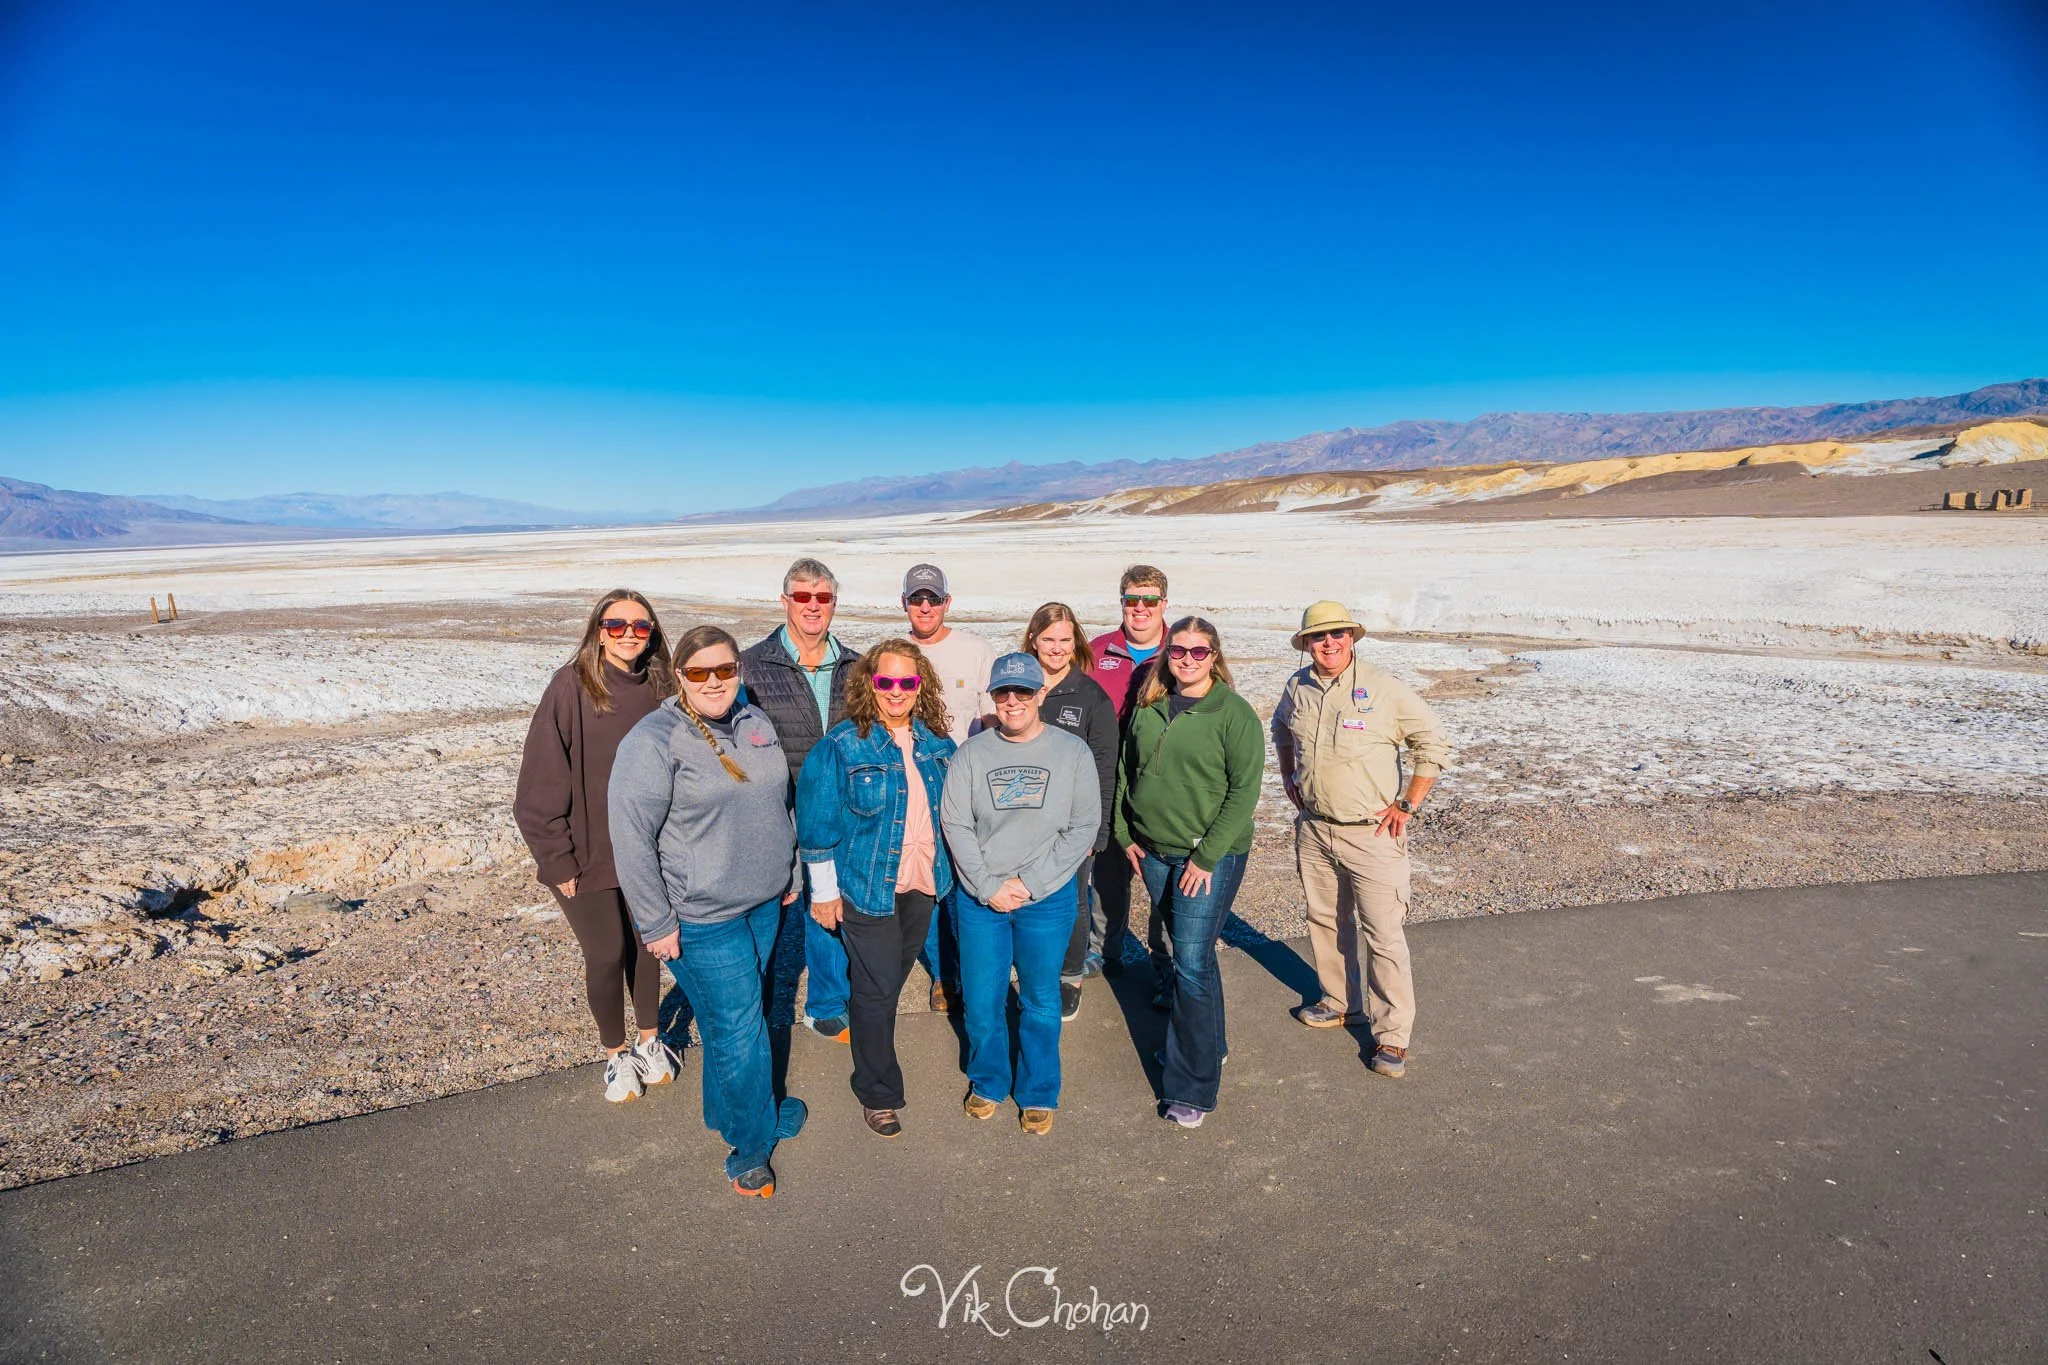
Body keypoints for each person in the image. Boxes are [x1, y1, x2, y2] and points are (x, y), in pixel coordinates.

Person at [609, 626, 808, 1198]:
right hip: (702, 915)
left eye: (725, 669)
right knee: (738, 1029)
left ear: (739, 671)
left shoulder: (754, 722)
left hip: (765, 901)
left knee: (743, 1020)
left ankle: (734, 1113)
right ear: (680, 677)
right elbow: (631, 838)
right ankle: (750, 1146)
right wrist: (656, 922)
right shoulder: (655, 741)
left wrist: (789, 870)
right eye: (700, 673)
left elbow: (777, 803)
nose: (714, 681)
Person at [514, 589, 682, 1105]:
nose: (630, 634)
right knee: (607, 952)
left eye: (641, 626)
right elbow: (539, 780)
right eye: (617, 625)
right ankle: (614, 1055)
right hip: (585, 848)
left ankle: (650, 1041)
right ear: (597, 629)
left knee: (651, 943)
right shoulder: (570, 687)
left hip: (648, 847)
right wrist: (555, 855)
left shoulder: (664, 685)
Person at [1272, 601, 1451, 1080]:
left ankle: (1392, 1036)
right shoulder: (1298, 686)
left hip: (1372, 833)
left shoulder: (1383, 689)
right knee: (1325, 920)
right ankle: (1340, 1000)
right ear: (1306, 643)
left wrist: (1408, 803)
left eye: (1338, 635)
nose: (1329, 643)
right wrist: (1289, 774)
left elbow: (1433, 743)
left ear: (1352, 638)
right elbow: (1280, 729)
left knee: (1384, 934)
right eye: (1319, 636)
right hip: (1314, 828)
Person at [795, 639, 957, 1139]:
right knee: (877, 988)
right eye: (886, 681)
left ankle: (874, 1068)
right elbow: (817, 826)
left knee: (889, 979)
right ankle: (878, 1091)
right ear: (870, 683)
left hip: (924, 883)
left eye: (907, 683)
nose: (896, 692)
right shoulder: (842, 746)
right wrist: (823, 893)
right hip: (867, 887)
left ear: (920, 686)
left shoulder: (938, 744)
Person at [941, 652, 1101, 1135]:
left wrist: (1030, 884)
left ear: (1040, 694)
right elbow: (955, 822)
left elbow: (1082, 827)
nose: (1012, 702)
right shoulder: (972, 753)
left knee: (1039, 999)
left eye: (1023, 692)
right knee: (984, 998)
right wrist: (988, 887)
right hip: (982, 900)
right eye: (1003, 693)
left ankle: (1038, 1090)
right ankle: (988, 1080)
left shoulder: (1072, 753)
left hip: (1045, 898)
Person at [1113, 616, 1263, 1129]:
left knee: (1191, 961)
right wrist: (1124, 832)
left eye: (1200, 652)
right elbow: (1125, 772)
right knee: (1189, 956)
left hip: (1207, 857)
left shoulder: (1233, 714)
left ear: (1215, 656)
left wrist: (1205, 857)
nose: (1188, 660)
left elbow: (1244, 793)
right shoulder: (1149, 705)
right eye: (1179, 651)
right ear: (1166, 655)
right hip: (1153, 851)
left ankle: (1191, 1087)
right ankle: (1208, 1044)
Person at [740, 558, 858, 1042]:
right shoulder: (752, 665)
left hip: (841, 807)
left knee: (830, 901)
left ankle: (827, 1002)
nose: (813, 607)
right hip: (776, 807)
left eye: (823, 597)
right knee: (769, 909)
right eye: (803, 597)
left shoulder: (856, 665)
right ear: (784, 600)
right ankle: (752, 1012)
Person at [900, 563, 994, 1013]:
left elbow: (993, 715)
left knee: (972, 879)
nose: (924, 606)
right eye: (916, 599)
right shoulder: (896, 656)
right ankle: (945, 975)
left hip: (969, 784)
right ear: (904, 604)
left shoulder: (975, 651)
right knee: (932, 884)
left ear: (946, 603)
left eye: (932, 599)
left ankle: (981, 969)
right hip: (915, 787)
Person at [1021, 603, 1117, 1020]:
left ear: (1075, 641)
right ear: (1033, 640)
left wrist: (1097, 832)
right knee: (1026, 892)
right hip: (1021, 818)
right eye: (1048, 640)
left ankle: (1070, 975)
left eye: (1065, 639)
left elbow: (1104, 765)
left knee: (1073, 900)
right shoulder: (1019, 684)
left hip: (1071, 823)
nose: (1056, 649)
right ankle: (1033, 967)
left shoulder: (1090, 695)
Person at [1087, 564, 1174, 999]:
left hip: (1162, 789)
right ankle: (1104, 952)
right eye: (1132, 600)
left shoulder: (1183, 651)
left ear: (1163, 604)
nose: (1140, 609)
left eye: (1149, 600)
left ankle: (1167, 968)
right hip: (1107, 783)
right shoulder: (1098, 650)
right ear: (1121, 602)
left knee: (1165, 878)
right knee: (1108, 874)